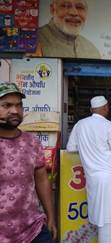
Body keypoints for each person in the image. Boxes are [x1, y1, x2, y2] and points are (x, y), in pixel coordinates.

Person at [0, 83, 57, 243]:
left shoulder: (31, 142)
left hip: (33, 229)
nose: (15, 111)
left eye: (19, 105)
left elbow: (41, 179)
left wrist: (50, 216)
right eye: (6, 105)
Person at [67, 96, 111, 243]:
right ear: (105, 108)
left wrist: (88, 149)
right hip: (109, 176)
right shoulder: (109, 126)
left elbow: (71, 147)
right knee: (107, 218)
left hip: (93, 177)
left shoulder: (80, 124)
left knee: (103, 216)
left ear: (92, 109)